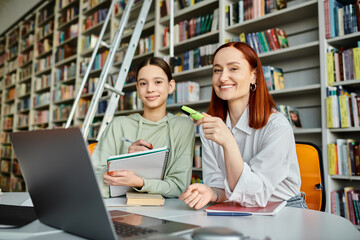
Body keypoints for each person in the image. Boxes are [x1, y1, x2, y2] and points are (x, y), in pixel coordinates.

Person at [179, 42, 305, 209]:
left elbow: (257, 195)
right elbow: (221, 184)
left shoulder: (277, 126)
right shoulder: (211, 127)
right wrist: (212, 193)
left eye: (233, 68)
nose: (223, 77)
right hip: (236, 205)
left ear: (253, 76)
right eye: (217, 70)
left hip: (284, 208)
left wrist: (228, 142)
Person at [91, 57, 195, 198]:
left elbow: (179, 187)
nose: (150, 89)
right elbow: (93, 182)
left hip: (165, 212)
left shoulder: (184, 126)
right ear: (138, 89)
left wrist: (139, 182)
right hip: (118, 208)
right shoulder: (118, 125)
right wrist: (125, 161)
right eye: (143, 83)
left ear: (170, 86)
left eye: (158, 82)